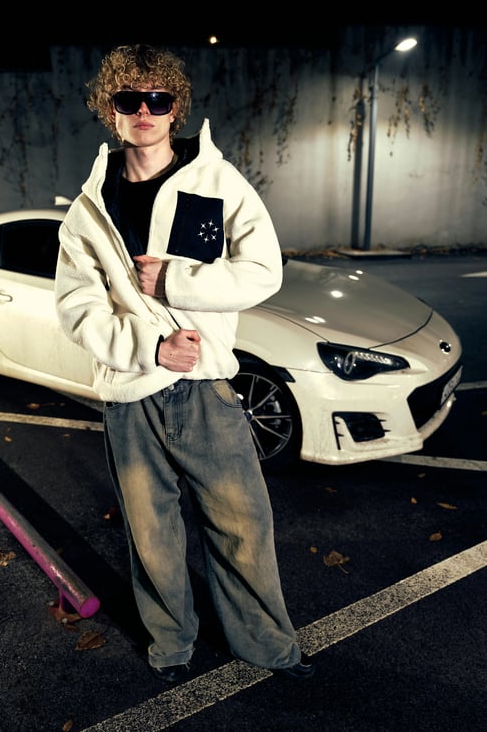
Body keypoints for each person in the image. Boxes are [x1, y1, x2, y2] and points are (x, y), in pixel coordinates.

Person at [54, 44, 315, 684]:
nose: (144, 111)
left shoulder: (217, 182)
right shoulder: (89, 208)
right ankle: (172, 642)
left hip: (205, 387)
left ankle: (268, 645)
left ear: (176, 109)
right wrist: (149, 349)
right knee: (152, 534)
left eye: (158, 99)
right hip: (131, 395)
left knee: (243, 525)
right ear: (110, 109)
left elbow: (264, 271)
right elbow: (77, 308)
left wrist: (176, 282)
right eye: (129, 99)